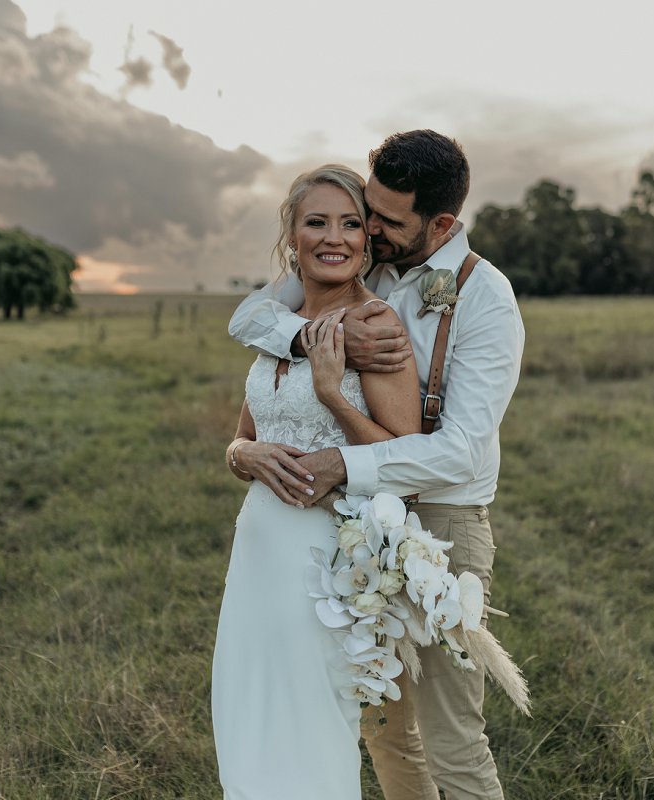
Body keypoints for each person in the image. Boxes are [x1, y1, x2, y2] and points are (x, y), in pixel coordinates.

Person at [229, 130, 525, 800]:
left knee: (452, 735)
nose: (368, 229)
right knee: (382, 723)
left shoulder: (484, 297)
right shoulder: (367, 258)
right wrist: (314, 337)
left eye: (385, 220)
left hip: (441, 521)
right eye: (369, 211)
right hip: (349, 529)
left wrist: (342, 463)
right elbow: (249, 317)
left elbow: (459, 452)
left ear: (440, 225)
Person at [211, 164, 421, 799]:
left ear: (366, 239)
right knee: (247, 710)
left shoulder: (376, 326)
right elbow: (243, 436)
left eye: (351, 223)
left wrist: (333, 395)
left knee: (313, 721)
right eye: (317, 222)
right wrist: (242, 454)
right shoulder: (279, 323)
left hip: (326, 562)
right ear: (292, 235)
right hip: (257, 555)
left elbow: (404, 465)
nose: (335, 237)